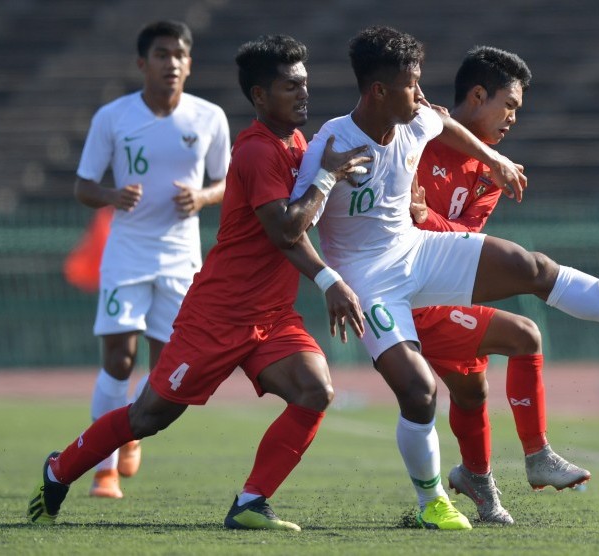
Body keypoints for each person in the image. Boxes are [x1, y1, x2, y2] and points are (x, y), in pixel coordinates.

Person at [289, 25, 599, 530]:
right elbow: (292, 227)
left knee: (530, 268)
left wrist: (491, 159)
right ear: (380, 90)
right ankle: (432, 502)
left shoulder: (420, 121)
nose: (423, 94)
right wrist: (329, 271)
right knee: (420, 392)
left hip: (418, 253)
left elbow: (443, 127)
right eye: (412, 84)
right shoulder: (333, 142)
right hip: (370, 284)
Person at [28, 34, 371, 530]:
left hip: (270, 316)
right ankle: (59, 470)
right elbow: (286, 230)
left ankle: (251, 502)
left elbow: (294, 229)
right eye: (290, 86)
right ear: (259, 96)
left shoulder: (295, 142)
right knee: (149, 417)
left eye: (305, 83)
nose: (303, 94)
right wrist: (326, 189)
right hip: (218, 315)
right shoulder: (255, 152)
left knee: (315, 389)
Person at [408, 46, 589, 525]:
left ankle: (478, 483)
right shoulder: (422, 136)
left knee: (471, 394)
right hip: (406, 295)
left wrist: (428, 217)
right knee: (525, 334)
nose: (513, 118)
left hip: (442, 293)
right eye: (509, 105)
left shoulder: (492, 172)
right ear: (478, 94)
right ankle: (538, 455)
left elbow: (464, 239)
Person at [71, 20, 231, 498]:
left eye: (180, 55)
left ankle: (131, 433)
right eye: (162, 55)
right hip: (126, 253)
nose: (172, 63)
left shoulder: (209, 118)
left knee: (167, 368)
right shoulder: (113, 118)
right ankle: (102, 468)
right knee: (119, 359)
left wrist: (202, 198)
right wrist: (112, 194)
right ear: (143, 63)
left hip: (181, 257)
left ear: (189, 63)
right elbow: (82, 187)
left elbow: (228, 183)